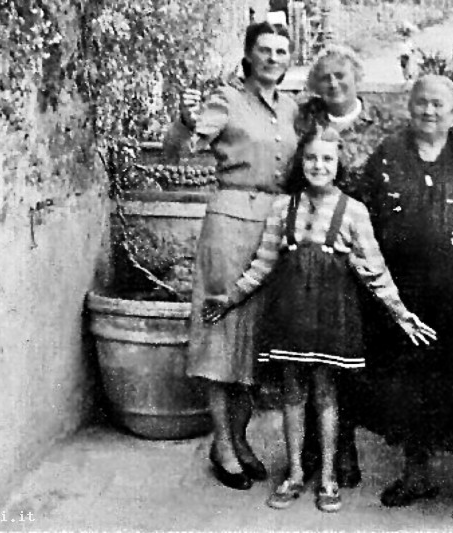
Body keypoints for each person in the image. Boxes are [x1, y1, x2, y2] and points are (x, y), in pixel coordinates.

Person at [202, 126, 437, 513]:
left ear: (338, 163)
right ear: (301, 162)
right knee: (292, 392)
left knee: (326, 392)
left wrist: (400, 313)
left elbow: (374, 269)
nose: (318, 165)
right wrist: (230, 298)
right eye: (311, 158)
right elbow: (263, 264)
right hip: (291, 313)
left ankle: (328, 476)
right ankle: (294, 472)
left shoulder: (353, 210)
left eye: (327, 159)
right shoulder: (283, 207)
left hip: (331, 314)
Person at [293, 44, 453, 489]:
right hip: (321, 245)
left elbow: (431, 121)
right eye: (325, 77)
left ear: (357, 78)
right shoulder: (303, 121)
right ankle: (326, 451)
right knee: (320, 353)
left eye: (341, 75)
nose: (334, 84)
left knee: (361, 358)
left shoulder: (381, 125)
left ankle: (356, 450)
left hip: (370, 255)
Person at [356, 75, 453, 525]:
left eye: (439, 104)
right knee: (409, 385)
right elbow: (361, 219)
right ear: (409, 106)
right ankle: (416, 473)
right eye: (421, 102)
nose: (429, 110)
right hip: (406, 297)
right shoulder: (388, 154)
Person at [165, 21, 298, 491]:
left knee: (255, 340)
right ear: (249, 55)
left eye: (281, 51)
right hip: (231, 225)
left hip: (276, 227)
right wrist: (184, 121)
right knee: (222, 334)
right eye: (265, 49)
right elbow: (177, 150)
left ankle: (240, 439)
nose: (273, 58)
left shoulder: (292, 107)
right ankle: (222, 443)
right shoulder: (226, 98)